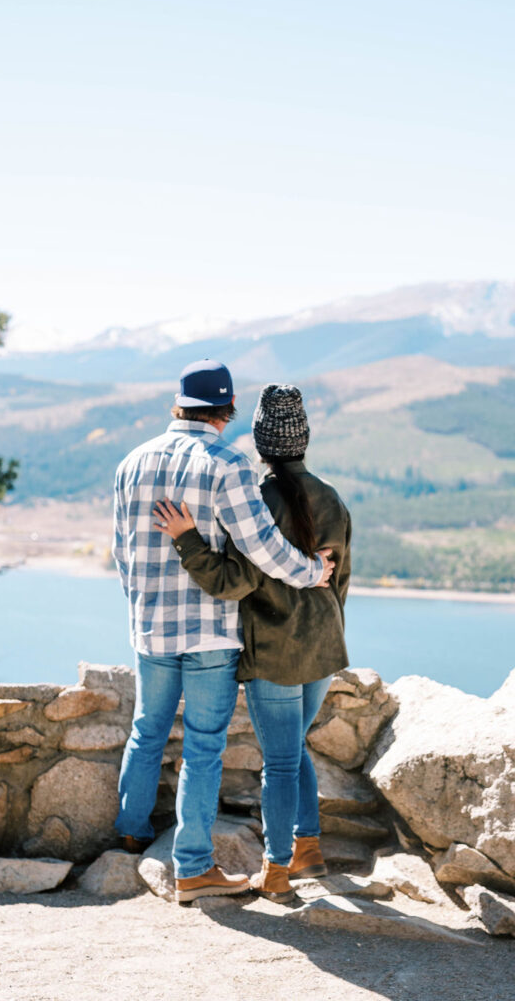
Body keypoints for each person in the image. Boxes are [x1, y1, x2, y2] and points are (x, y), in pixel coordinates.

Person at [112, 360, 334, 904]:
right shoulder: (226, 464)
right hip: (210, 629)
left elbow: (121, 552)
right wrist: (312, 572)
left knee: (146, 729)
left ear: (178, 403)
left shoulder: (131, 462)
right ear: (228, 410)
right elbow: (261, 547)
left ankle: (130, 833)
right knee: (204, 748)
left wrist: (141, 604)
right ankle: (192, 869)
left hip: (151, 626)